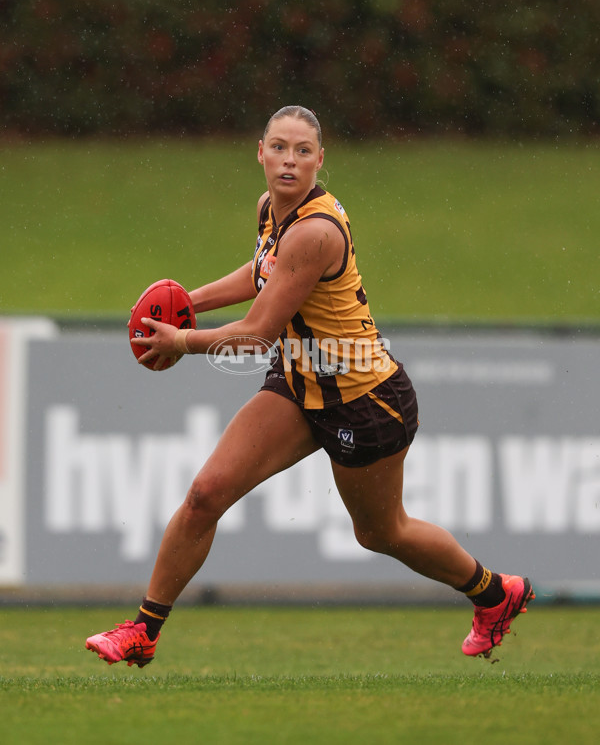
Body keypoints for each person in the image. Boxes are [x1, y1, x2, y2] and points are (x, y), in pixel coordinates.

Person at [86, 105, 534, 668]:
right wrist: (189, 303)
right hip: (300, 382)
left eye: (302, 151)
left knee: (381, 533)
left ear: (320, 161)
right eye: (279, 147)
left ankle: (495, 594)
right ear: (260, 152)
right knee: (205, 495)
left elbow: (254, 336)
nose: (289, 161)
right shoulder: (270, 212)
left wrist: (181, 342)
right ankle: (143, 631)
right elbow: (260, 273)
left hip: (365, 400)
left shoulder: (316, 232)